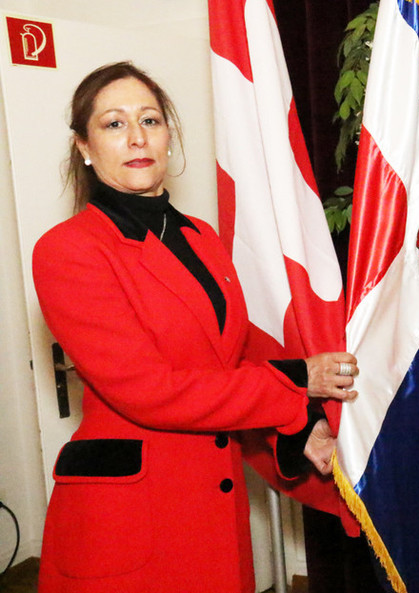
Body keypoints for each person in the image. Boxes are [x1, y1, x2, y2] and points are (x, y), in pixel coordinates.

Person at [32, 61, 358, 593]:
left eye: (150, 120)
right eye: (114, 124)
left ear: (169, 134)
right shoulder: (67, 250)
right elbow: (150, 390)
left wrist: (302, 426)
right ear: (84, 147)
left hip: (215, 498)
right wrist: (299, 383)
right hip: (133, 517)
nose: (137, 137)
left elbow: (231, 359)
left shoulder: (200, 236)